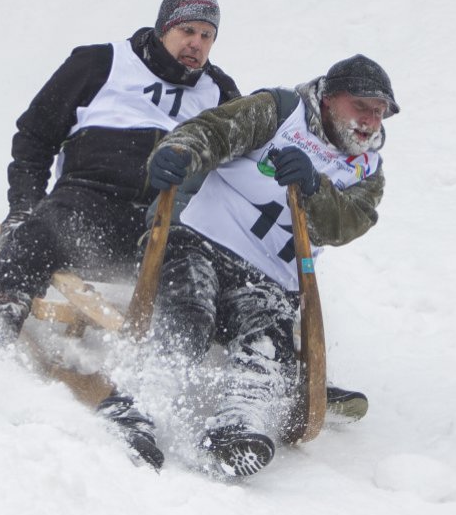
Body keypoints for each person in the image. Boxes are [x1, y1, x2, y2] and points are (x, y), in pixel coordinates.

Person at [99, 54, 399, 477]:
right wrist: (179, 151)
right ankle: (134, 406)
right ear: (330, 100)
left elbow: (345, 226)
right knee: (189, 311)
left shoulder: (368, 171)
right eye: (361, 107)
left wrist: (315, 186)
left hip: (269, 277)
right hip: (201, 239)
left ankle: (237, 427)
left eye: (379, 112)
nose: (370, 121)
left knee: (270, 340)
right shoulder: (279, 111)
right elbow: (213, 131)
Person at [0, 0, 239, 345]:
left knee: (211, 278)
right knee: (39, 233)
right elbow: (35, 137)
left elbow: (239, 171)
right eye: (187, 31)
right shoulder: (100, 63)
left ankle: (238, 360)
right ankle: (5, 318)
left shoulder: (220, 93)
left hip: (165, 223)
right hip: (89, 207)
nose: (196, 43)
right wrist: (23, 206)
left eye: (207, 35)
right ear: (164, 28)